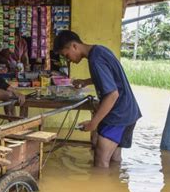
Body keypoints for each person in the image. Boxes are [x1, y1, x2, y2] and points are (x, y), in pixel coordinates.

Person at [53, 30, 141, 168]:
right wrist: (86, 81)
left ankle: (98, 189)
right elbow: (110, 77)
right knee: (114, 159)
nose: (68, 60)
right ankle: (116, 187)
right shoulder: (100, 50)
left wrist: (94, 123)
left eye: (66, 55)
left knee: (100, 158)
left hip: (119, 114)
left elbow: (112, 94)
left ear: (74, 46)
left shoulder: (95, 60)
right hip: (129, 111)